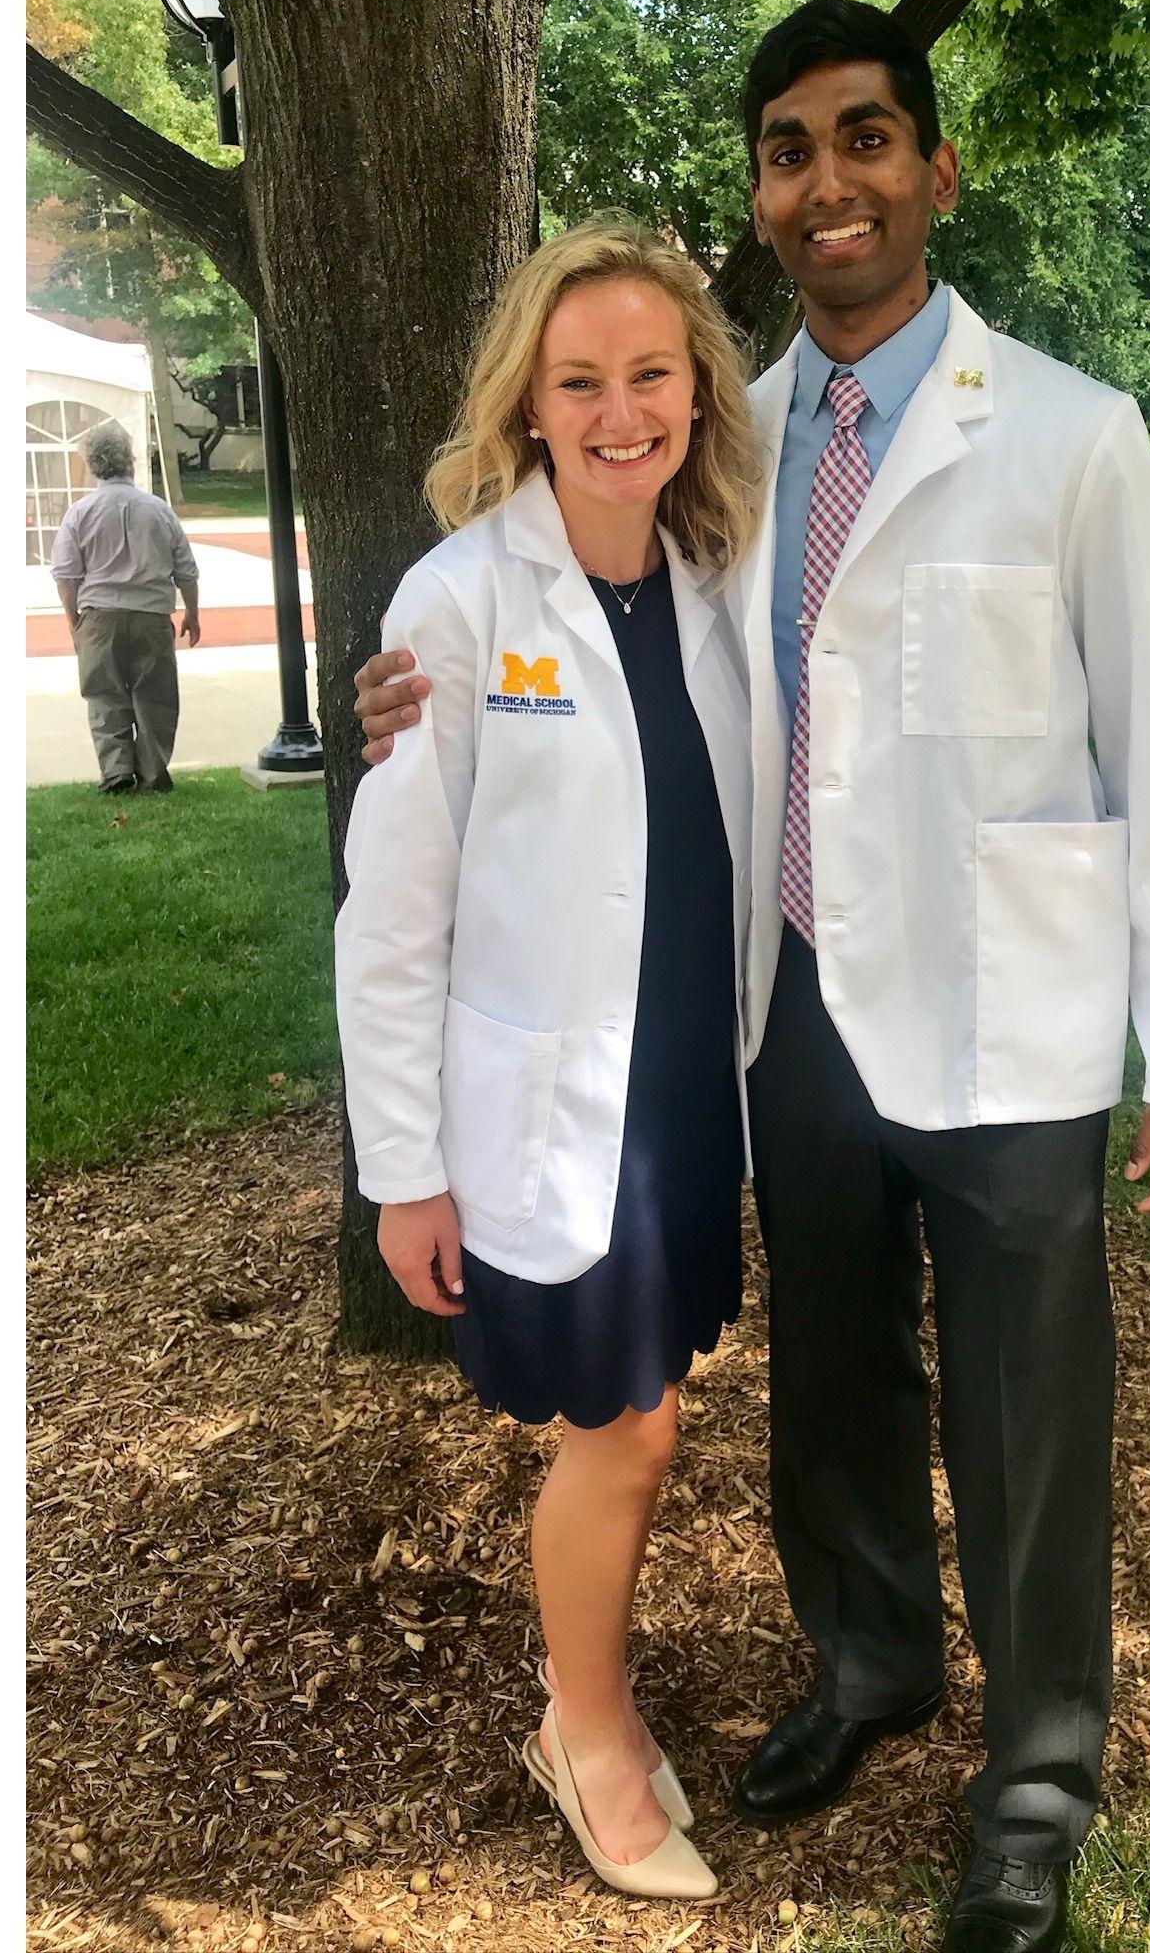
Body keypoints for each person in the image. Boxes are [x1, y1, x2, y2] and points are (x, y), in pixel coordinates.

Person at [354, 1, 1150, 1953]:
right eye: (787, 148)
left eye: (865, 137)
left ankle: (1034, 1775)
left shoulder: (1076, 438)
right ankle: (867, 1665)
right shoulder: (723, 460)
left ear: (933, 167)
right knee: (833, 1376)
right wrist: (411, 690)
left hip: (1010, 1015)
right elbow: (572, 647)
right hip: (804, 1006)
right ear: (760, 197)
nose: (826, 179)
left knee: (1025, 1405)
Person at [334, 220, 764, 1902]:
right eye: (577, 378)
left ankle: (586, 1698)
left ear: (692, 390)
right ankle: (583, 1727)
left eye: (649, 371)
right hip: (537, 1094)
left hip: (670, 1089)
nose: (616, 408)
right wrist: (403, 1168)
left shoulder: (712, 578)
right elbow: (390, 911)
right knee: (628, 1433)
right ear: (528, 400)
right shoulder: (454, 601)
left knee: (644, 1414)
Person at [49, 421, 201, 793]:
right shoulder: (158, 510)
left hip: (99, 616)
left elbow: (66, 575)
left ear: (92, 463)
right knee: (156, 698)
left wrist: (74, 622)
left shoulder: (80, 513)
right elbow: (186, 570)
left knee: (104, 696)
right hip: (151, 615)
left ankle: (116, 771)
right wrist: (192, 614)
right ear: (130, 461)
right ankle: (151, 774)